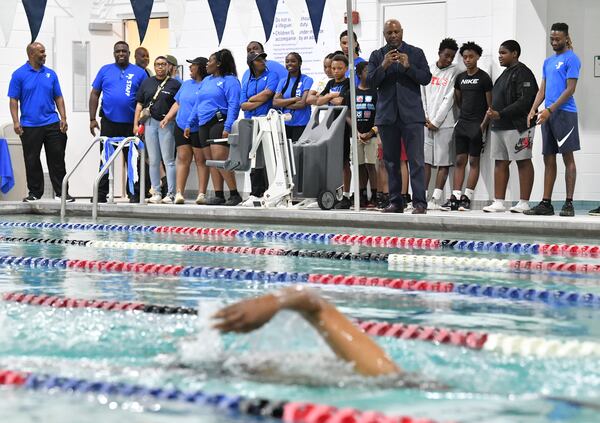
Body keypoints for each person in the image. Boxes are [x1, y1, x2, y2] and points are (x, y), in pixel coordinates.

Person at [213, 286, 400, 377]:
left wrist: (274, 301)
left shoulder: (387, 376)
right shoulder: (388, 375)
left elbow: (314, 304)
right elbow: (313, 303)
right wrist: (274, 301)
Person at [367, 19, 431, 214]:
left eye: (396, 32)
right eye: (389, 32)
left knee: (416, 161)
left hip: (411, 115)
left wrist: (409, 67)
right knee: (391, 161)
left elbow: (426, 78)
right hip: (387, 116)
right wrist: (384, 66)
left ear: (402, 32)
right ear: (384, 34)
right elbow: (370, 81)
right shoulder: (377, 55)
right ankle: (395, 202)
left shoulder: (415, 53)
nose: (393, 35)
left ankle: (419, 203)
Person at [524, 23, 581, 217]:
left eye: (558, 39)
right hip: (547, 114)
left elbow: (570, 89)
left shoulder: (572, 59)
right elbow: (543, 89)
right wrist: (533, 108)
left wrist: (550, 109)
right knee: (548, 158)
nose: (554, 42)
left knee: (568, 158)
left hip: (564, 114)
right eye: (552, 39)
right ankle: (546, 203)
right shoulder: (548, 61)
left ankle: (568, 203)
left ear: (566, 38)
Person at [8, 42, 72, 202]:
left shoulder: (51, 74)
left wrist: (63, 118)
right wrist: (16, 121)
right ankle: (35, 193)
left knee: (57, 159)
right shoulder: (19, 75)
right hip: (29, 125)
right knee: (32, 160)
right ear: (31, 54)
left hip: (52, 123)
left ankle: (61, 193)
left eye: (44, 52)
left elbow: (58, 97)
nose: (44, 55)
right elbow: (13, 100)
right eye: (41, 52)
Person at [483, 40, 538, 214]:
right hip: (500, 125)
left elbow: (525, 101)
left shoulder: (523, 72)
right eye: (499, 53)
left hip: (518, 126)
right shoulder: (505, 74)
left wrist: (501, 113)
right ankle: (498, 201)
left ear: (514, 53)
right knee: (500, 162)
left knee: (523, 161)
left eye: (503, 53)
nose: (500, 56)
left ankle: (524, 202)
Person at [89, 41, 148, 203]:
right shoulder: (105, 70)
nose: (121, 54)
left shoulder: (140, 73)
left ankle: (134, 194)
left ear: (129, 53)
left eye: (124, 51)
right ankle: (100, 194)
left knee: (133, 159)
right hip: (108, 121)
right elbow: (95, 94)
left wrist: (142, 122)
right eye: (117, 51)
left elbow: (145, 99)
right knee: (104, 159)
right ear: (114, 53)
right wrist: (92, 118)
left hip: (131, 124)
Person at [185, 49, 242, 206]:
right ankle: (218, 195)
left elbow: (233, 104)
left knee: (220, 158)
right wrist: (190, 122)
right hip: (203, 124)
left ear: (218, 64)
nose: (207, 64)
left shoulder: (230, 81)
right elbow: (198, 103)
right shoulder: (207, 80)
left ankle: (234, 194)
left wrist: (228, 126)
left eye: (210, 61)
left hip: (219, 121)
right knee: (210, 161)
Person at [441, 42, 492, 212]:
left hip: (477, 125)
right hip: (462, 124)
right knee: (459, 161)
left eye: (471, 57)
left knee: (473, 161)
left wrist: (483, 126)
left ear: (477, 57)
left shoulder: (484, 78)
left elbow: (489, 106)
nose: (468, 60)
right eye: (465, 57)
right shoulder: (460, 78)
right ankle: (455, 196)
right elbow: (458, 100)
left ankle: (467, 197)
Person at [161, 57, 209, 205]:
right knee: (182, 159)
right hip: (181, 126)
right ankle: (179, 193)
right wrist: (168, 117)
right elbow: (178, 102)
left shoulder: (207, 84)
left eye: (192, 66)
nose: (190, 69)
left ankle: (201, 193)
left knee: (201, 160)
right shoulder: (186, 84)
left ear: (200, 68)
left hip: (198, 127)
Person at [133, 56, 181, 204]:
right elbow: (140, 104)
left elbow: (179, 104)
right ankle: (156, 192)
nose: (160, 67)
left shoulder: (174, 84)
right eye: (157, 64)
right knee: (153, 160)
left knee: (168, 160)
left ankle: (171, 193)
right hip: (149, 123)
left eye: (163, 64)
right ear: (154, 67)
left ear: (168, 67)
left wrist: (170, 118)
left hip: (166, 124)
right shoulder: (147, 82)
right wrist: (135, 124)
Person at [421, 38, 459, 211]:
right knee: (426, 161)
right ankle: (421, 197)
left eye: (452, 57)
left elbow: (449, 99)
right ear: (439, 53)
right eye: (446, 56)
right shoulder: (428, 69)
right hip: (426, 122)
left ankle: (435, 199)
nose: (449, 59)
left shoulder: (455, 72)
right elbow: (422, 95)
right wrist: (426, 117)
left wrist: (436, 121)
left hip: (445, 123)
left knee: (443, 162)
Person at [240, 51, 281, 203]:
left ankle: (271, 190)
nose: (263, 61)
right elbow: (243, 105)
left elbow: (268, 94)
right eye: (259, 59)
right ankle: (256, 192)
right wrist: (257, 101)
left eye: (263, 58)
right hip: (252, 123)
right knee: (254, 157)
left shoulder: (272, 76)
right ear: (252, 63)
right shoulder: (247, 81)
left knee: (270, 156)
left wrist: (252, 100)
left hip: (268, 123)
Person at [317, 54, 352, 209]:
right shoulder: (330, 83)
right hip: (330, 125)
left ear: (346, 69)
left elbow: (341, 101)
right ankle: (335, 193)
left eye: (339, 68)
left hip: (343, 125)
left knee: (344, 161)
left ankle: (346, 195)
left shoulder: (348, 83)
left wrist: (329, 97)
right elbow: (318, 101)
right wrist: (332, 95)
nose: (336, 71)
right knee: (332, 162)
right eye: (333, 68)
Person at [344, 61, 378, 207]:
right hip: (357, 135)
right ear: (359, 74)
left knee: (371, 165)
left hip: (372, 135)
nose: (369, 74)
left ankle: (375, 196)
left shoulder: (376, 92)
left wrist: (371, 132)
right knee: (359, 165)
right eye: (366, 71)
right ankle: (362, 194)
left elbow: (380, 114)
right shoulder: (351, 92)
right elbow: (348, 115)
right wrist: (356, 131)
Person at [273, 52, 313, 142]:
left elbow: (302, 104)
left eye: (293, 61)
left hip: (301, 124)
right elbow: (275, 103)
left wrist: (283, 103)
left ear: (300, 63)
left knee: (298, 153)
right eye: (287, 61)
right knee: (286, 154)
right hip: (285, 124)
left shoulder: (307, 80)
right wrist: (294, 99)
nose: (289, 64)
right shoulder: (282, 81)